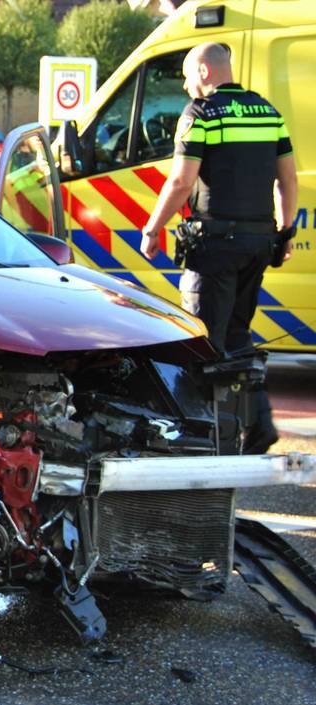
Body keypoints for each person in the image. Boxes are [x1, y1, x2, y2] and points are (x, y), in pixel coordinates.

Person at [140, 42, 299, 454]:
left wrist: (153, 227)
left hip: (215, 244)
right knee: (238, 334)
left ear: (206, 73)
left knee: (203, 342)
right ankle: (259, 425)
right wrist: (285, 233)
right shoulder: (268, 112)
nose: (187, 85)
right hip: (258, 242)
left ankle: (211, 439)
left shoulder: (202, 114)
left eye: (189, 76)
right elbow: (288, 181)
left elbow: (180, 181)